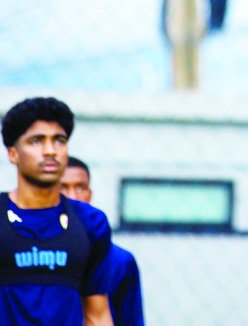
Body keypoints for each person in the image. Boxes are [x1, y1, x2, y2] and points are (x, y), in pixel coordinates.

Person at [0, 97, 114, 326]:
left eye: (59, 141)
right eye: (36, 141)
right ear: (13, 154)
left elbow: (97, 314)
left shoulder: (90, 222)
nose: (50, 151)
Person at [62, 156, 145, 326]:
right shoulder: (26, 251)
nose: (73, 196)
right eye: (63, 187)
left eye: (80, 187)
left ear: (89, 194)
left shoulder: (120, 261)